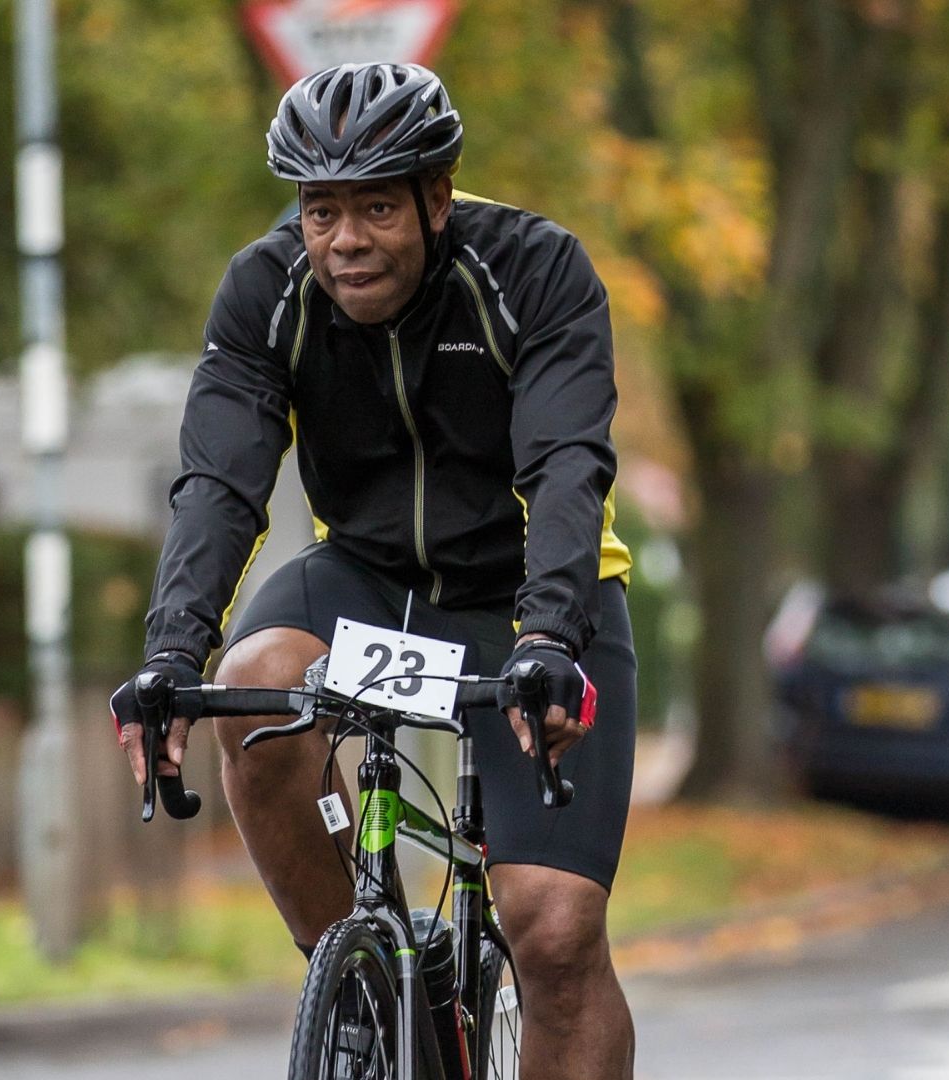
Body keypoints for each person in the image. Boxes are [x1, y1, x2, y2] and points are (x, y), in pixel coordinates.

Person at [112, 62, 636, 1079]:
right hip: (366, 582)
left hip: (528, 596)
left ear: (438, 199)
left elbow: (566, 468)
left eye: (378, 208)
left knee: (557, 932)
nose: (345, 240)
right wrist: (171, 657)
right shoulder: (266, 292)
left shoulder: (534, 272)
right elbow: (220, 485)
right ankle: (356, 989)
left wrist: (548, 638)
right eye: (321, 211)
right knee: (252, 685)